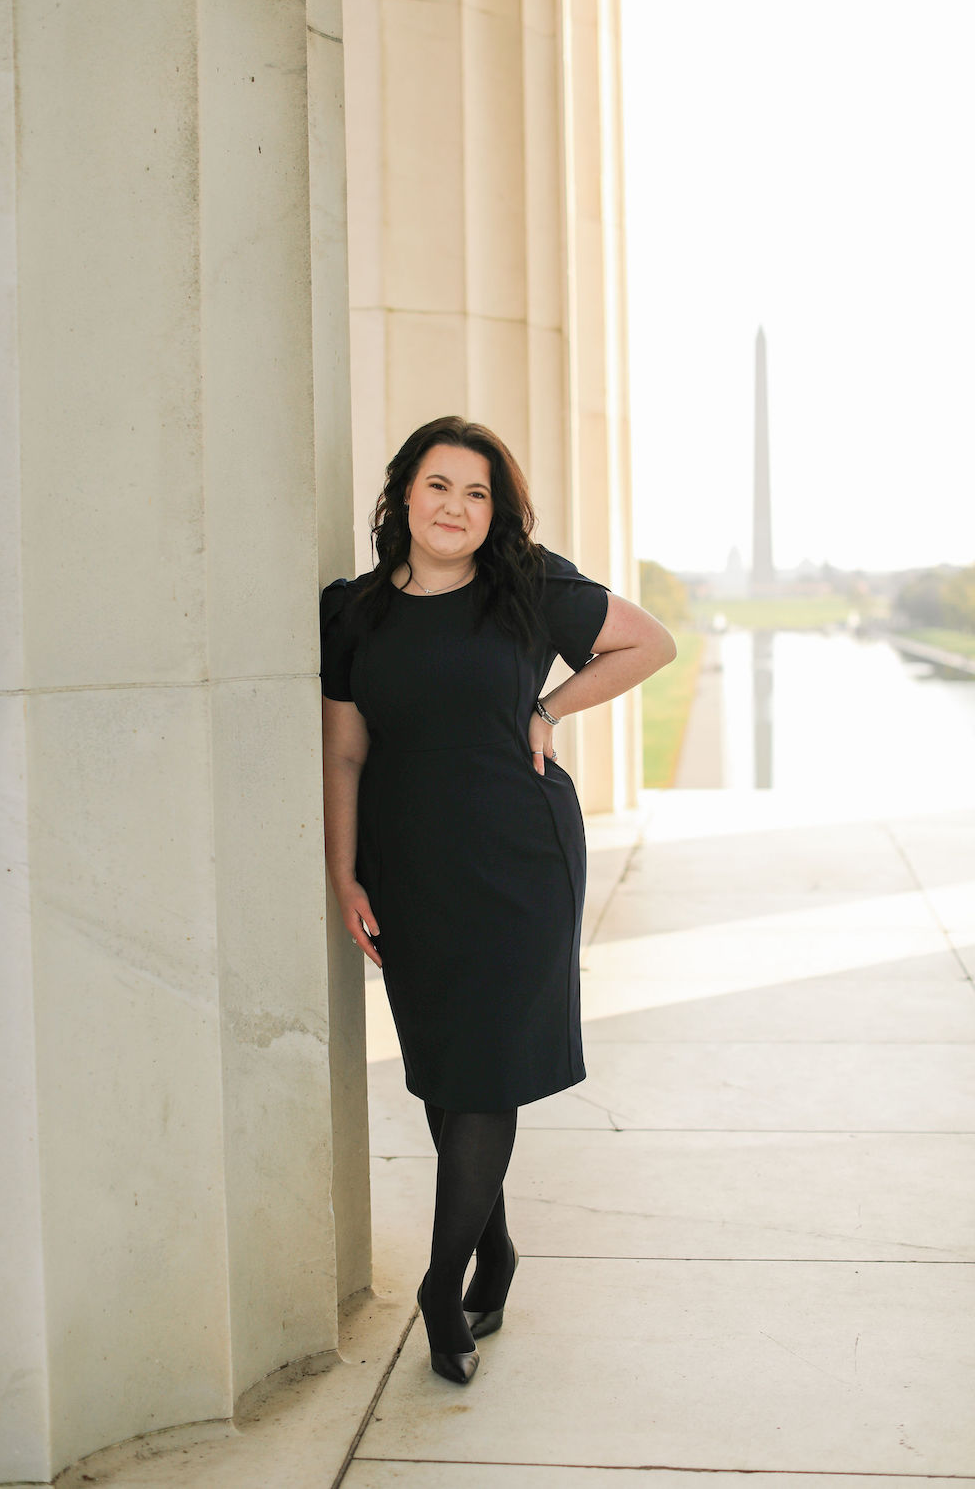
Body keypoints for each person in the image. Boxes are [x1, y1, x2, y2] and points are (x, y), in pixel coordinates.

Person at [320, 416, 676, 1386]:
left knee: (484, 1074)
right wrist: (344, 873)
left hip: (520, 861)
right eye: (440, 486)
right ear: (400, 496)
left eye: (477, 493)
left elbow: (648, 642)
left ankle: (444, 1285)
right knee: (449, 1068)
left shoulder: (527, 583)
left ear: (496, 511)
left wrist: (547, 707)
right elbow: (346, 752)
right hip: (409, 864)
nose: (457, 508)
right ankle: (497, 1248)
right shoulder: (352, 612)